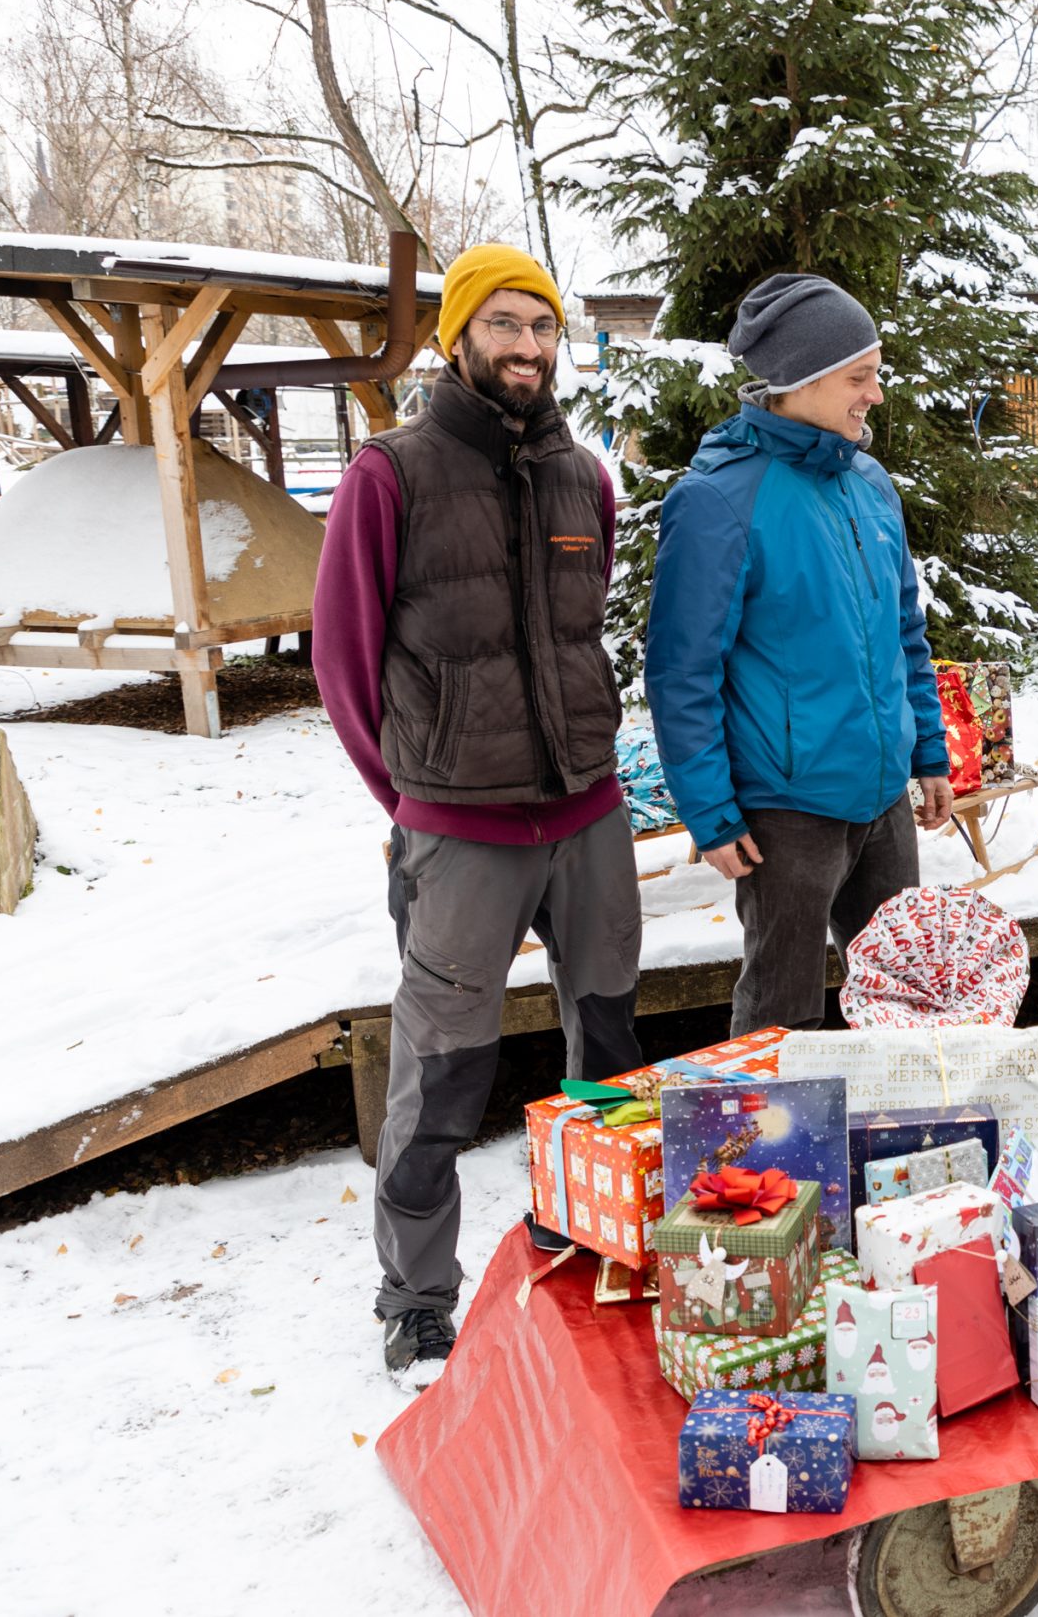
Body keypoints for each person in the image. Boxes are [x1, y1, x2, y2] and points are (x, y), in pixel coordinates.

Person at [315, 242, 641, 1371]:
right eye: (503, 324)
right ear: (460, 338)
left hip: (588, 815)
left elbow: (578, 632)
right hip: (460, 830)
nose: (525, 346)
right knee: (442, 1073)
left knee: (605, 1052)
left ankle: (595, 1237)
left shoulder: (582, 477)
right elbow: (345, 659)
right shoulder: (390, 475)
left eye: (541, 327)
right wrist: (412, 795)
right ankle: (414, 1293)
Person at [645, 273, 954, 1036]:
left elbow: (904, 634)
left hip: (882, 797)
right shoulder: (718, 499)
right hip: (784, 811)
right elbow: (683, 672)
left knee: (903, 991)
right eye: (860, 377)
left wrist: (930, 752)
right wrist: (711, 813)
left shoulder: (870, 483)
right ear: (800, 380)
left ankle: (891, 1143)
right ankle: (768, 1152)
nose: (875, 394)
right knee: (781, 1009)